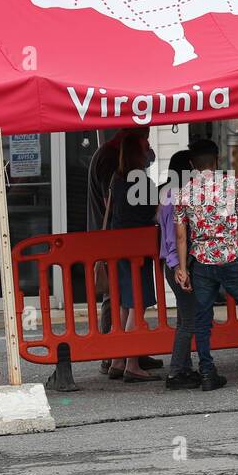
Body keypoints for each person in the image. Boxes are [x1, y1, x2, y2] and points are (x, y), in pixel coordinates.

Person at [174, 139, 238, 390]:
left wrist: (183, 269)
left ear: (191, 164)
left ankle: (207, 372)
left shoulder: (183, 193)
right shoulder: (234, 185)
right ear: (217, 160)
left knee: (202, 318)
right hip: (231, 256)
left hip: (202, 260)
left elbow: (180, 235)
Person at [87, 126, 161, 375]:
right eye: (146, 145)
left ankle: (118, 360)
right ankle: (132, 363)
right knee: (136, 305)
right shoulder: (141, 181)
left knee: (122, 304)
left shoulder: (116, 179)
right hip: (137, 250)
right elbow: (154, 213)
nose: (149, 149)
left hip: (116, 248)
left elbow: (114, 208)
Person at [158, 149, 198, 389]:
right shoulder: (178, 198)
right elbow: (175, 238)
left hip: (172, 263)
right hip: (178, 264)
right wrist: (180, 267)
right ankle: (175, 372)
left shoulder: (167, 195)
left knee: (184, 318)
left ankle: (184, 367)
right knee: (189, 321)